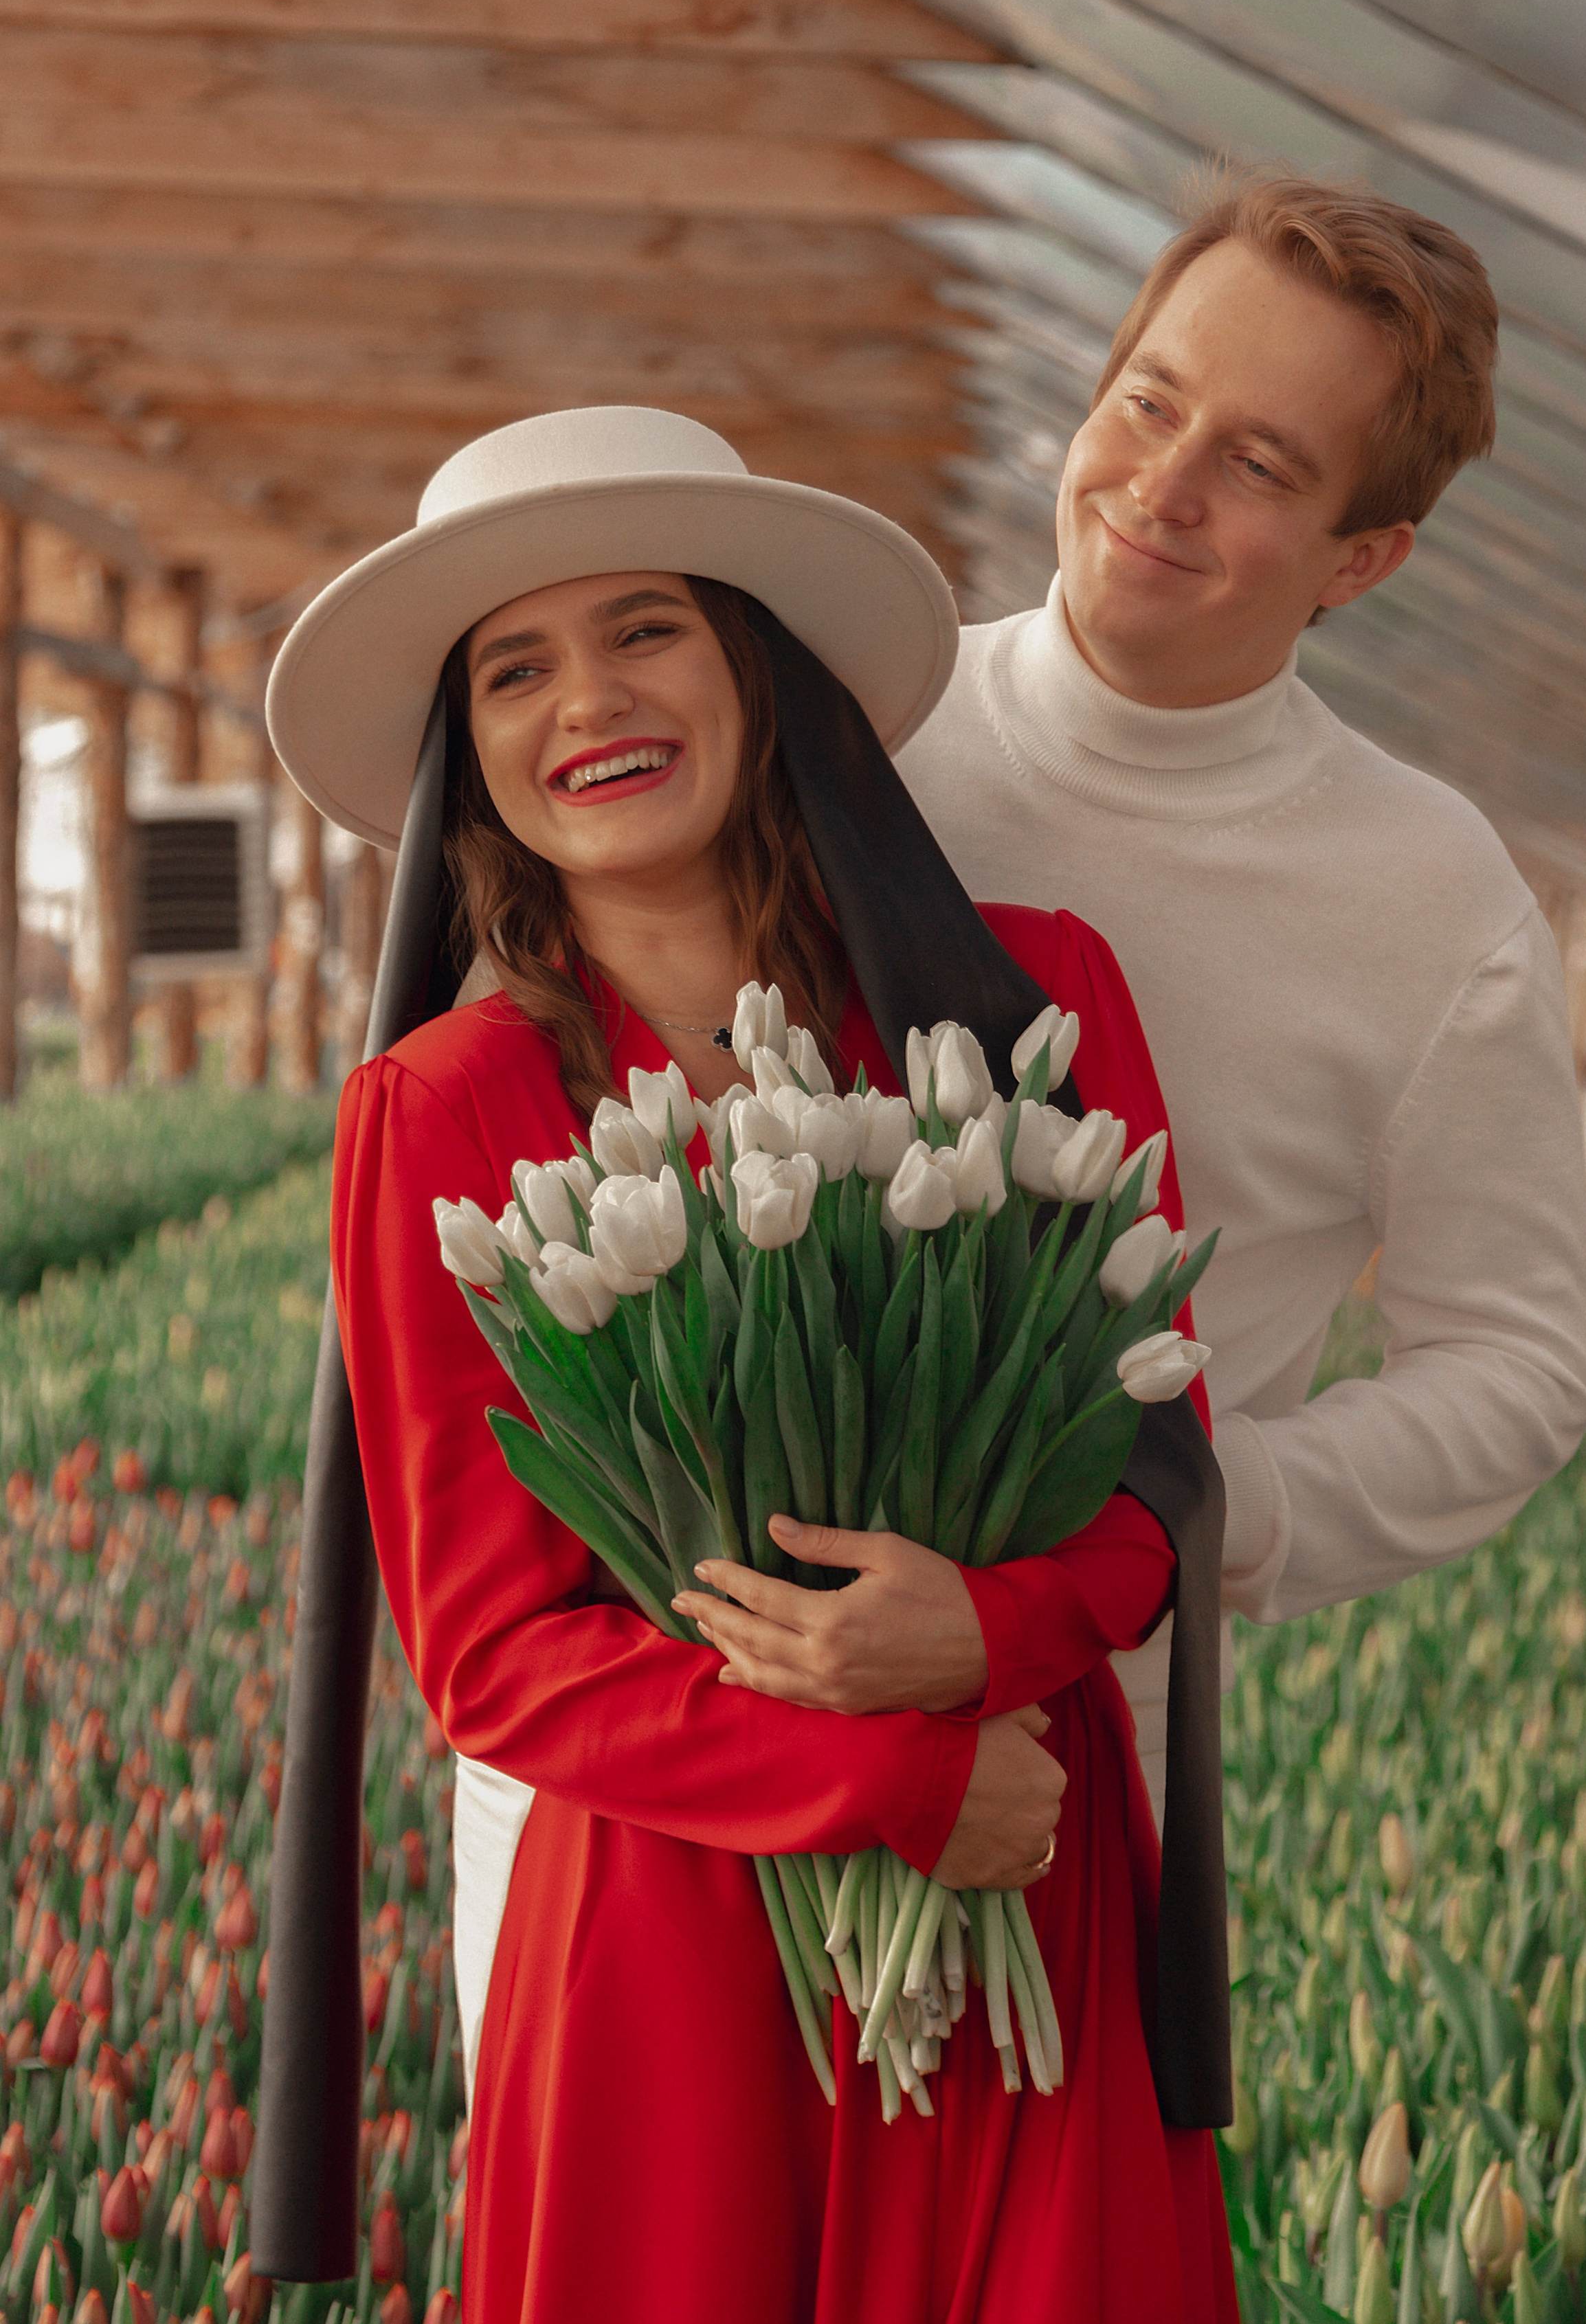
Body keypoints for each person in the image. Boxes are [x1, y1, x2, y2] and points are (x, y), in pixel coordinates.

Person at [264, 407, 1242, 2324]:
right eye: (515, 666)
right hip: (676, 1916)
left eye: (646, 630)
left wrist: (972, 1636)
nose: (587, 699)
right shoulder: (446, 1107)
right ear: (476, 749)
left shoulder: (1025, 1004)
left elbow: (1155, 1484)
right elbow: (490, 1653)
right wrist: (884, 1773)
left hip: (1023, 1850)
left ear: (755, 669)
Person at [897, 174, 1586, 1784]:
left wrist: (1207, 1502)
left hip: (1083, 1745)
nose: (1161, 484)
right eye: (1149, 403)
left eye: (1258, 463)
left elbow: (1514, 1362)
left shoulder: (1429, 902)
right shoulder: (862, 725)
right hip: (686, 1697)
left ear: (1361, 560)